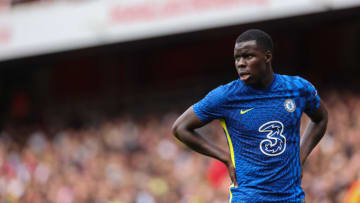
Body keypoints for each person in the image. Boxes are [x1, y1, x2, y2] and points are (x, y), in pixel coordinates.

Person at [172, 29, 328, 202]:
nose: (241, 63)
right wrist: (224, 157)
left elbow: (320, 118)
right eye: (237, 58)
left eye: (248, 56)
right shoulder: (225, 96)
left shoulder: (298, 88)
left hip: (291, 197)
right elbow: (180, 128)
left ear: (267, 57)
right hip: (248, 197)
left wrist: (301, 155)